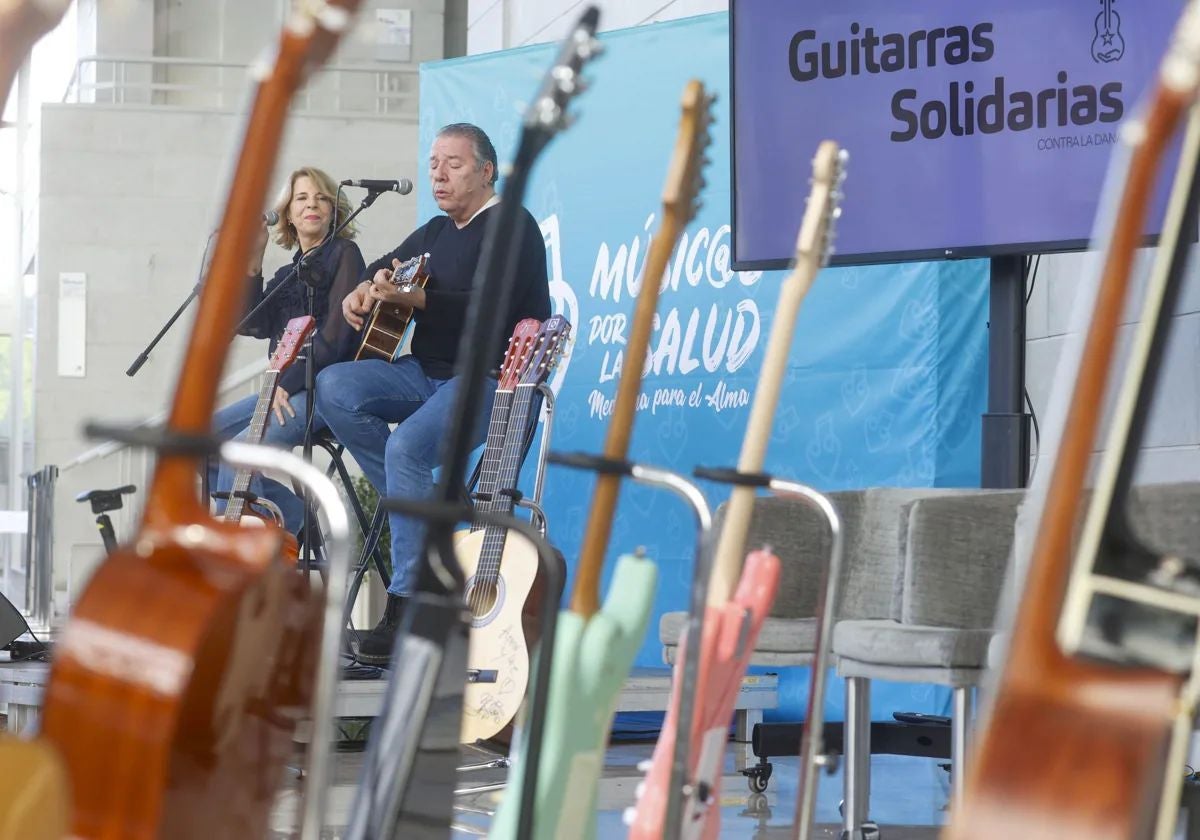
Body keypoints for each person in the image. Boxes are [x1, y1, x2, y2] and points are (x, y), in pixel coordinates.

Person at [316, 123, 550, 665]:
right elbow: (385, 267)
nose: (439, 174)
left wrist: (415, 298)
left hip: (492, 380)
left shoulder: (512, 224)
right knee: (337, 386)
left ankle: (408, 606)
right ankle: (436, 505)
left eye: (455, 163)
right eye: (434, 163)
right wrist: (360, 289)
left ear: (486, 171)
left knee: (406, 451)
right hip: (428, 374)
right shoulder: (437, 232)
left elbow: (487, 308)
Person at [209, 165, 366, 535]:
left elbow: (338, 337)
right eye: (301, 197)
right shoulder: (287, 275)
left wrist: (289, 379)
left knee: (239, 450)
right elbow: (252, 324)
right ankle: (295, 520)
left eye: (321, 197)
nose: (312, 204)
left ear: (333, 210)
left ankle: (234, 551)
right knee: (203, 438)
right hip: (282, 390)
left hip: (322, 390)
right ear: (289, 216)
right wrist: (255, 257)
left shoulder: (345, 254)